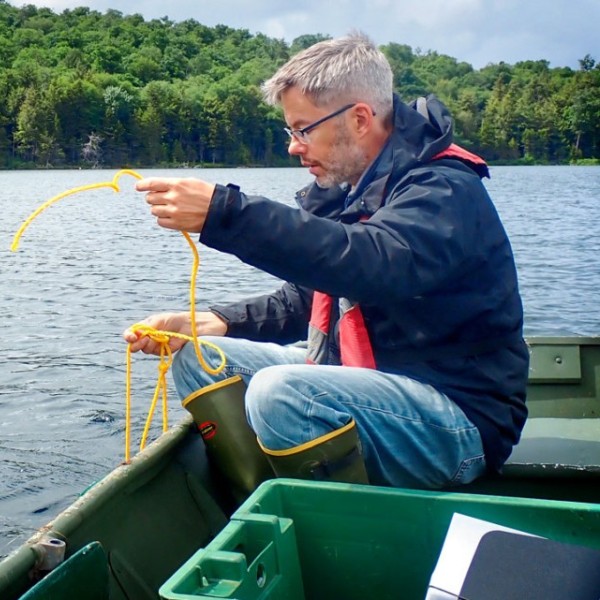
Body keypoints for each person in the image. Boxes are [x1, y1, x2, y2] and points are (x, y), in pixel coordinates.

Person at [123, 33, 529, 492]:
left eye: (303, 129)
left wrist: (225, 214)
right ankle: (265, 498)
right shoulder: (351, 186)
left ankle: (335, 530)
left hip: (458, 415)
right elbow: (315, 297)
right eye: (290, 131)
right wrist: (215, 321)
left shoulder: (443, 190)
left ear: (359, 118)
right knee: (198, 358)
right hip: (374, 380)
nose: (294, 146)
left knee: (284, 394)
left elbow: (370, 263)